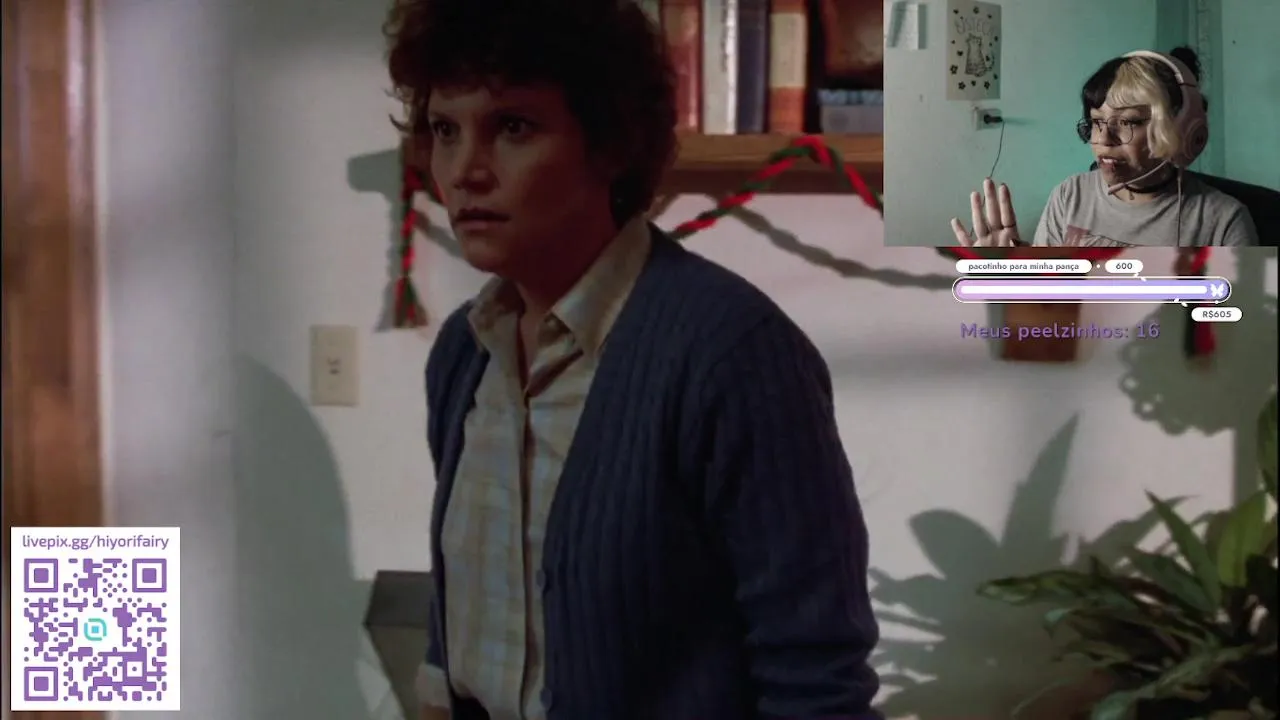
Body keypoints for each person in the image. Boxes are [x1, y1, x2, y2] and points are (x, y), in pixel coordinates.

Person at [382, 1, 882, 719]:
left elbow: (815, 679)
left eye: (513, 127)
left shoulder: (730, 353)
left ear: (610, 143)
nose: (464, 171)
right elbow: (461, 620)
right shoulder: (466, 351)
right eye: (444, 130)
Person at [951, 46, 1258, 247]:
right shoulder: (1069, 196)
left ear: (1182, 130)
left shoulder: (1223, 222)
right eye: (1097, 121)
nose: (1102, 139)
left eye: (1128, 122)